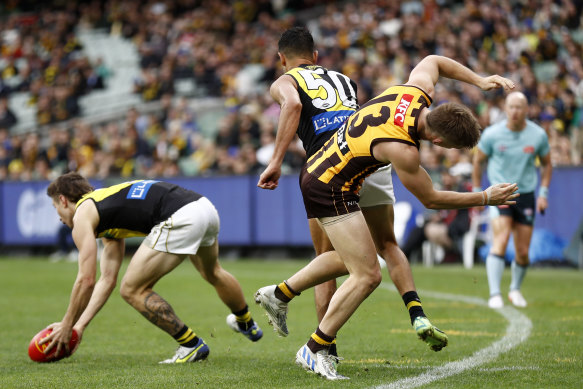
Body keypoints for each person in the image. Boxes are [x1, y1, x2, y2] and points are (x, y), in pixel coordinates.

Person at [255, 54, 518, 380]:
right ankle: (313, 348)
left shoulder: (415, 91)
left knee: (344, 260)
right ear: (438, 140)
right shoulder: (403, 149)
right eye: (449, 147)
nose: (446, 151)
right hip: (330, 187)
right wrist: (485, 197)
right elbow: (432, 199)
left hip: (322, 169)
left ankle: (279, 294)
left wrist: (479, 80)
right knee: (367, 275)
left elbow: (433, 61)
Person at [257, 26, 447, 356]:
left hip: (328, 169)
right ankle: (414, 312)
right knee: (384, 244)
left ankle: (322, 347)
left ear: (281, 59)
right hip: (367, 158)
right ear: (316, 57)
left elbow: (291, 105)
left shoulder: (285, 81)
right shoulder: (345, 80)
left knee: (330, 259)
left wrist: (275, 160)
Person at [41, 172, 262, 363]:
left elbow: (85, 279)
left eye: (55, 207)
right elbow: (106, 279)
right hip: (204, 208)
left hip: (180, 216)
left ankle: (191, 345)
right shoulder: (105, 211)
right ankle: (246, 323)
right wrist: (78, 327)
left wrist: (66, 324)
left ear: (63, 200)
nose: (59, 217)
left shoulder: (82, 214)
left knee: (132, 289)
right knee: (213, 272)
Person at [472, 91, 552, 309]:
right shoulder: (492, 134)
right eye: (511, 107)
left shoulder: (537, 135)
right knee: (502, 237)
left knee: (523, 252)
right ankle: (495, 294)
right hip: (501, 193)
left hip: (526, 194)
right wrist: (479, 192)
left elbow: (547, 164)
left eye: (519, 107)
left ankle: (515, 290)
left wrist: (543, 194)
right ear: (505, 109)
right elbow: (478, 161)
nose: (515, 111)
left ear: (527, 110)